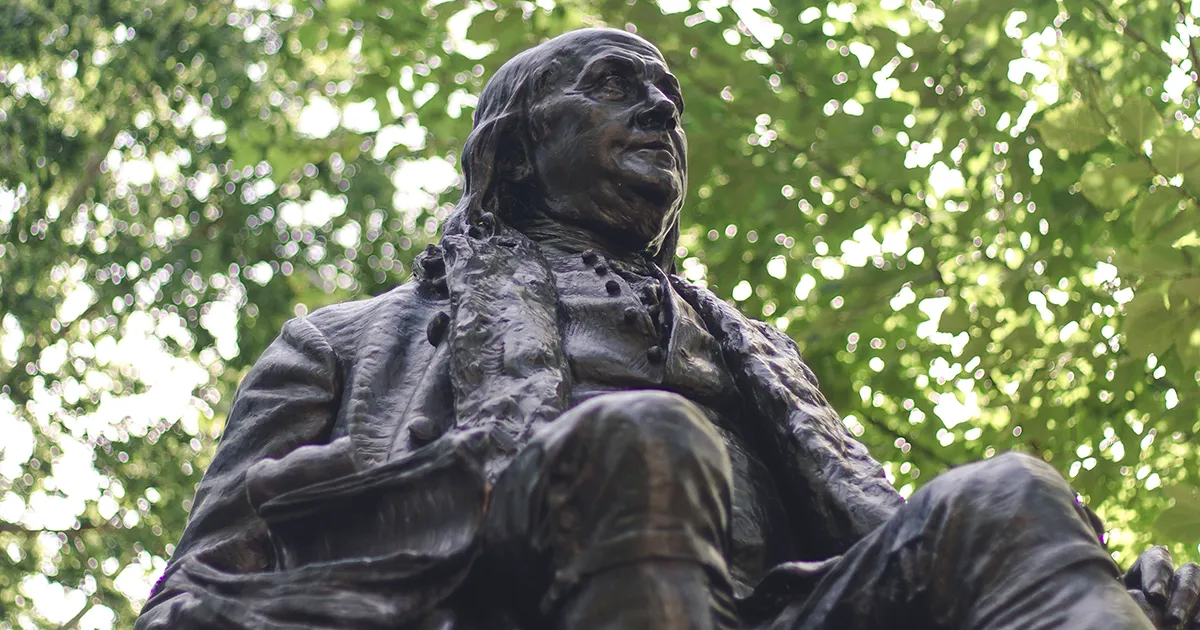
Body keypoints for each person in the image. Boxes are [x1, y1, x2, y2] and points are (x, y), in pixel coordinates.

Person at [136, 28, 1198, 630]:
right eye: (613, 90)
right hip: (491, 595)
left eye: (668, 100)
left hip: (774, 610)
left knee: (1003, 498)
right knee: (648, 439)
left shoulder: (752, 353)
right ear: (511, 151)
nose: (659, 114)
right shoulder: (343, 344)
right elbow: (188, 595)